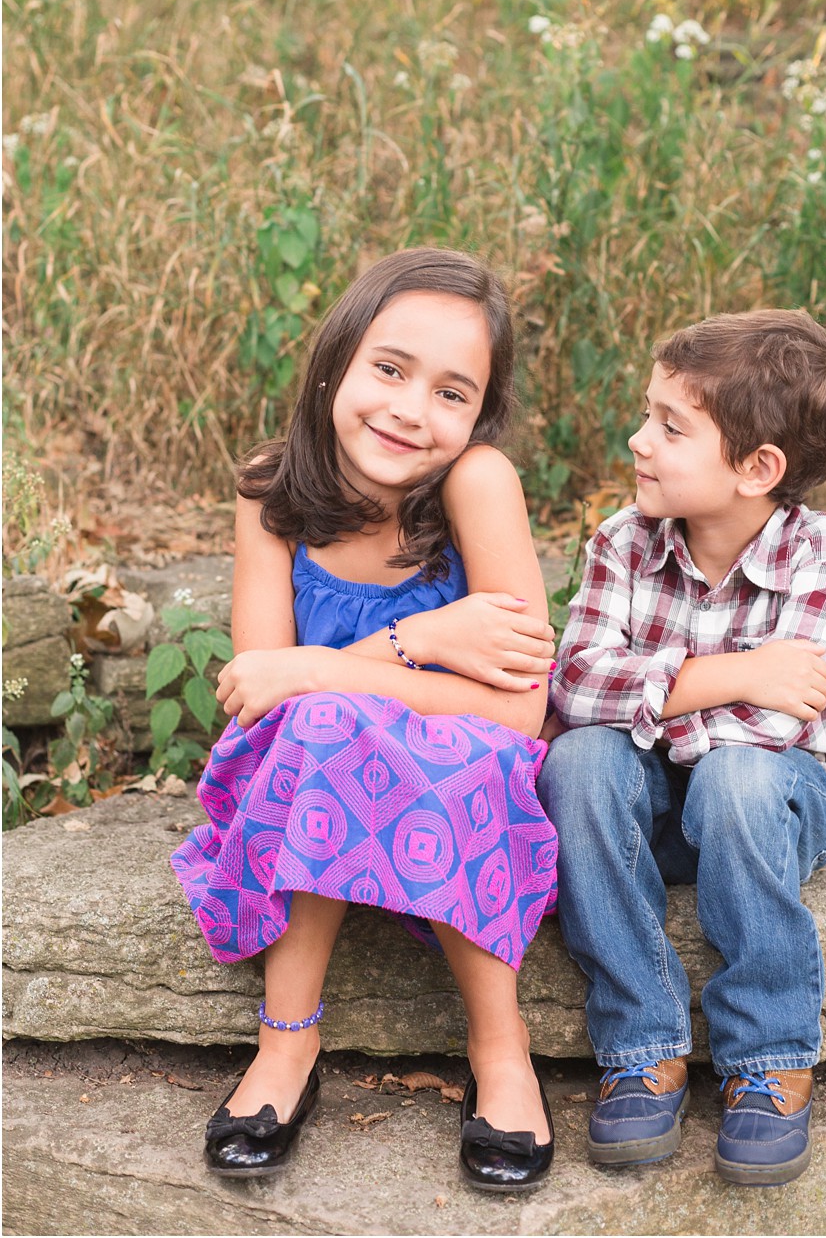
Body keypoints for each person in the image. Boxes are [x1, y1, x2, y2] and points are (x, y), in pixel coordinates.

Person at [171, 247, 558, 1191]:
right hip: (306, 770)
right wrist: (421, 641)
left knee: (444, 745)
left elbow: (522, 705)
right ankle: (286, 1041)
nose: (410, 410)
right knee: (322, 727)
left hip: (458, 773)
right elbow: (259, 697)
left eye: (452, 392)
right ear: (336, 360)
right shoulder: (275, 492)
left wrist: (321, 672)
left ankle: (499, 1048)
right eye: (390, 368)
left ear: (480, 415)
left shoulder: (478, 485)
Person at [538, 308, 826, 1188]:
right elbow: (574, 688)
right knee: (577, 761)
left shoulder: (821, 552)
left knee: (735, 779)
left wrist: (656, 691)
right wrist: (736, 673)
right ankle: (642, 1041)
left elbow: (777, 724)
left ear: (758, 468)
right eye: (648, 412)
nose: (638, 439)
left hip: (773, 801)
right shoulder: (621, 541)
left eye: (670, 426)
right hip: (657, 804)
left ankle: (768, 1054)